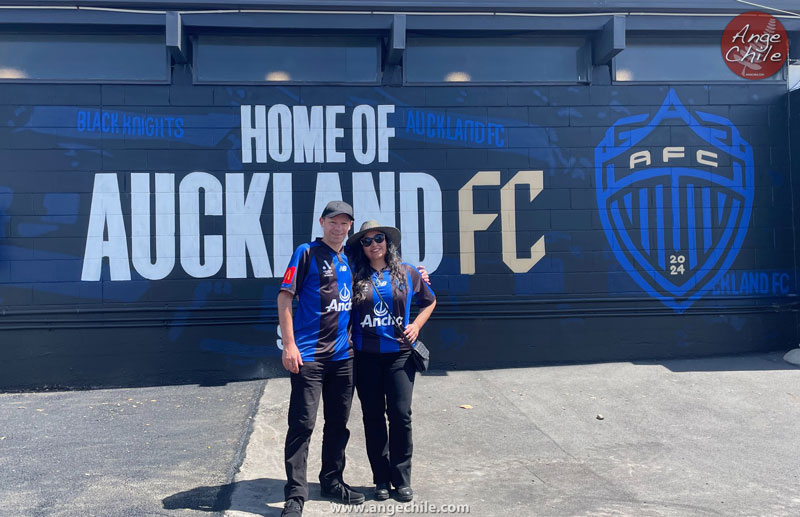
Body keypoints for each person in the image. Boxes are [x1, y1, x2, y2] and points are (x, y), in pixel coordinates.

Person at [277, 200, 365, 517]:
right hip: (310, 356)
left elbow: (386, 270)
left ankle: (331, 481)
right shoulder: (306, 253)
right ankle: (296, 495)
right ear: (322, 222)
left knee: (338, 424)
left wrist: (419, 273)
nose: (338, 228)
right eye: (333, 222)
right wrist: (289, 345)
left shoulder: (352, 257)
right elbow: (284, 297)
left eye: (344, 223)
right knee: (302, 424)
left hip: (344, 358)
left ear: (350, 226)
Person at [346, 220, 437, 503]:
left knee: (400, 416)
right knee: (373, 418)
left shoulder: (408, 272)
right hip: (366, 357)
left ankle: (402, 478)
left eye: (379, 238)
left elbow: (429, 300)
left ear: (388, 242)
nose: (374, 244)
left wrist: (417, 325)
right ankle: (381, 480)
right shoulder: (352, 275)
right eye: (367, 240)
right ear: (361, 247)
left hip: (400, 355)